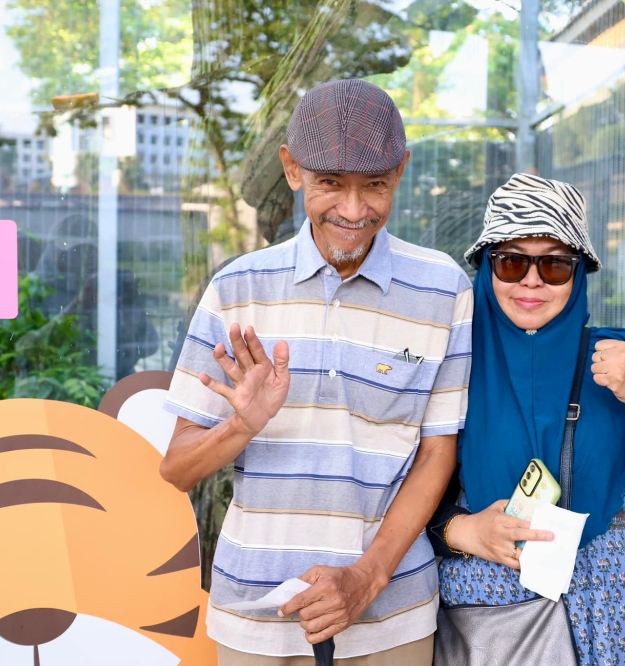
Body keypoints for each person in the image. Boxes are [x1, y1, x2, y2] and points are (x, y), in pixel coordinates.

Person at [160, 79, 473, 665]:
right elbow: (176, 469)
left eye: (374, 186)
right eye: (331, 184)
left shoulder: (444, 288)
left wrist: (366, 578)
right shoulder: (236, 289)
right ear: (292, 169)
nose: (353, 212)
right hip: (254, 615)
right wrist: (241, 426)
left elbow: (437, 454)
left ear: (400, 172)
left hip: (392, 618)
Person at [426, 173, 625, 665]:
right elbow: (399, 495)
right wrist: (463, 531)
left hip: (617, 625)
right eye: (512, 261)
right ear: (486, 267)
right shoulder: (451, 361)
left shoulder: (623, 361)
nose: (532, 281)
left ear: (580, 271)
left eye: (556, 265)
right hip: (493, 627)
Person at [32, 213, 160, 378]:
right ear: (58, 254)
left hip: (113, 384)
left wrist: (131, 304)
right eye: (77, 250)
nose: (86, 258)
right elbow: (29, 350)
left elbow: (149, 346)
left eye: (91, 251)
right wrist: (78, 305)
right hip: (58, 386)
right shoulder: (36, 288)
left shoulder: (106, 286)